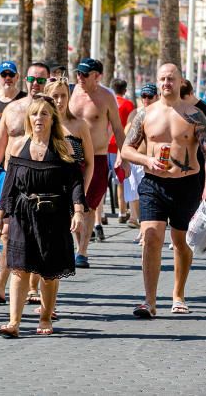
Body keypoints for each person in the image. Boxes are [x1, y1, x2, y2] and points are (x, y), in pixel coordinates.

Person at [120, 64, 206, 318]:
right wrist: (146, 161)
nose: (166, 83)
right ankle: (149, 302)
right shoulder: (145, 114)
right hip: (154, 183)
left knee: (180, 242)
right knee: (151, 236)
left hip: (187, 183)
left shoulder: (194, 115)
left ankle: (178, 295)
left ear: (180, 81)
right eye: (162, 78)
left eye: (171, 79)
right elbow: (126, 149)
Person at [0, 96, 85, 337]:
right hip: (23, 213)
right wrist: (1, 215)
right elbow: (9, 184)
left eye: (44, 114)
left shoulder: (65, 146)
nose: (39, 118)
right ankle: (14, 322)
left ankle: (45, 317)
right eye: (35, 114)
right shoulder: (18, 146)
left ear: (52, 118)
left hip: (54, 213)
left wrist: (78, 211)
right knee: (19, 269)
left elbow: (75, 182)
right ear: (28, 118)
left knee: (49, 271)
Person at [0, 61, 52, 305]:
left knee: (34, 233)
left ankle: (31, 286)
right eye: (32, 79)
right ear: (25, 79)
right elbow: (0, 142)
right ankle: (0, 285)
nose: (35, 84)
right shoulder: (12, 109)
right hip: (11, 176)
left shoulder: (53, 111)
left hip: (40, 180)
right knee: (5, 230)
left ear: (48, 81)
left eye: (41, 80)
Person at [68, 58, 126, 268]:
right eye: (78, 73)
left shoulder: (106, 97)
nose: (79, 78)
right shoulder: (71, 93)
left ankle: (82, 251)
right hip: (72, 158)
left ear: (97, 76)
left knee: (90, 207)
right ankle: (77, 246)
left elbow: (118, 129)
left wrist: (124, 157)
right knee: (72, 206)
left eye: (85, 74)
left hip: (99, 158)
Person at [45, 78, 94, 259]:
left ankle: (81, 251)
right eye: (55, 96)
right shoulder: (42, 124)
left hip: (73, 187)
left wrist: (82, 192)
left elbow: (89, 162)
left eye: (63, 95)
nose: (59, 101)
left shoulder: (79, 125)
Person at [123, 84, 159, 236]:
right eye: (143, 96)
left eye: (149, 96)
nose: (146, 99)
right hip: (134, 159)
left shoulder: (160, 114)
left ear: (157, 97)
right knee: (133, 193)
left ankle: (144, 228)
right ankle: (136, 219)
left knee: (147, 197)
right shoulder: (136, 113)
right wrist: (121, 157)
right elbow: (126, 136)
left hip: (150, 161)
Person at [108, 78, 135, 224]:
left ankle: (99, 213)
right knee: (121, 179)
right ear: (125, 90)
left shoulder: (107, 102)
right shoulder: (129, 105)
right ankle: (122, 211)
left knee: (100, 179)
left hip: (103, 146)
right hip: (120, 146)